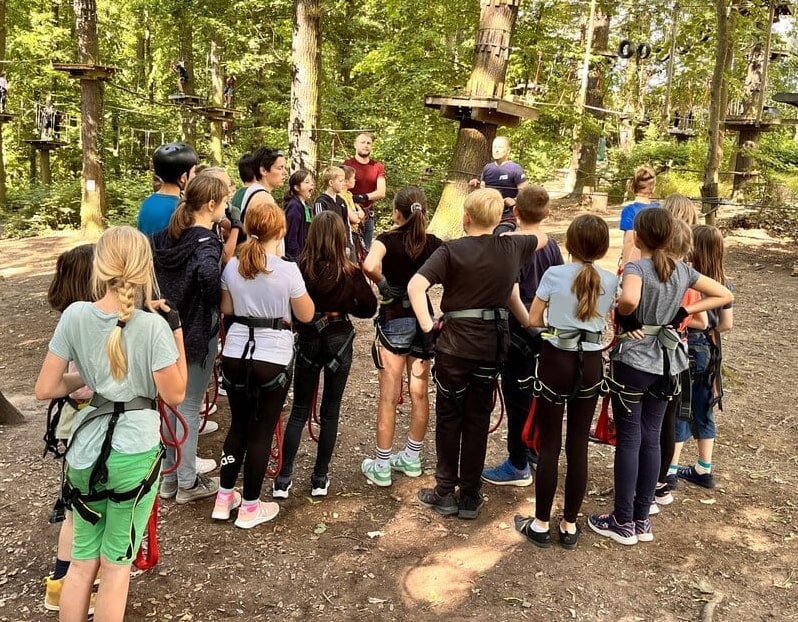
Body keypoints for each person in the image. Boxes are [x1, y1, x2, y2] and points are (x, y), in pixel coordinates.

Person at [35, 226, 186, 622]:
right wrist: (177, 333)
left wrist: (90, 378)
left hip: (86, 448)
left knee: (82, 562)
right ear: (145, 268)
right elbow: (174, 394)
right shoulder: (153, 326)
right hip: (133, 451)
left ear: (99, 267)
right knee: (116, 566)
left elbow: (45, 388)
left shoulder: (74, 315)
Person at [588, 208, 733, 545]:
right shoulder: (683, 270)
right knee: (651, 436)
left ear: (638, 237)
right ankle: (642, 518)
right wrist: (685, 311)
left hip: (634, 362)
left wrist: (625, 313)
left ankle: (622, 519)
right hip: (669, 364)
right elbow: (724, 295)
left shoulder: (638, 267)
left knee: (629, 439)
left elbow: (629, 298)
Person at [407, 188, 551, 520]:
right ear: (499, 218)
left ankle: (445, 491)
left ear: (466, 217)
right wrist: (510, 230)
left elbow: (416, 286)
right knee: (478, 417)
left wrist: (428, 325)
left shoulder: (450, 250)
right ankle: (470, 495)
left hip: (454, 345)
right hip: (490, 346)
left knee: (449, 416)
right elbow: (542, 238)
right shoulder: (513, 246)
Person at [513, 215, 618, 549]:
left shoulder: (554, 274)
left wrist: (555, 325)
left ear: (570, 244)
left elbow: (533, 319)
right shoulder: (611, 280)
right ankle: (570, 524)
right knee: (578, 445)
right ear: (603, 248)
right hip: (591, 364)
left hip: (556, 360)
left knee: (549, 445)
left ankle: (541, 523)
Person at [212, 201, 314, 528]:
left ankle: (224, 497)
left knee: (238, 425)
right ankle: (251, 506)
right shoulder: (287, 270)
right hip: (273, 356)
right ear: (280, 231)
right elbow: (306, 314)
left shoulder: (233, 266)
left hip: (235, 353)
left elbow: (227, 308)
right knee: (262, 431)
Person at [274, 211, 377, 498]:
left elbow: (289, 305)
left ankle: (283, 478)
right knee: (330, 412)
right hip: (338, 340)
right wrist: (346, 304)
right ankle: (320, 478)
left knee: (299, 410)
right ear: (340, 237)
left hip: (309, 338)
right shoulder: (350, 271)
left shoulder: (298, 269)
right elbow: (369, 308)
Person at [152, 172, 230, 505]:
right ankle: (187, 481)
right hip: (196, 331)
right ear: (211, 204)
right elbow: (209, 274)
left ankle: (169, 477)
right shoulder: (206, 241)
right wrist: (215, 300)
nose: (226, 207)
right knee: (188, 404)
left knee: (169, 403)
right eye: (224, 201)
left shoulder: (164, 238)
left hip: (164, 328)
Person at [482, 185, 563, 487]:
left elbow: (511, 293)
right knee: (536, 393)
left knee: (518, 396)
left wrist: (529, 324)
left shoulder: (511, 244)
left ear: (515, 211)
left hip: (519, 327)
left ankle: (518, 464)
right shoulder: (551, 246)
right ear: (547, 214)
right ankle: (533, 451)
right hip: (544, 327)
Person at [361, 187, 442, 487]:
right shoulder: (433, 243)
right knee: (419, 392)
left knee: (389, 394)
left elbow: (369, 265)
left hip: (394, 317)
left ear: (397, 212)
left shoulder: (386, 239)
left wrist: (382, 283)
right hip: (423, 320)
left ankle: (382, 465)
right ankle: (411, 457)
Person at [43, 244, 96, 614]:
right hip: (88, 423)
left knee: (75, 508)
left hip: (75, 424)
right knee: (84, 511)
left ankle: (62, 583)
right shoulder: (84, 323)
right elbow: (79, 385)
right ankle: (72, 586)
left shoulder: (70, 320)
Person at [671, 225, 734, 490]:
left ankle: (670, 469)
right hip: (711, 353)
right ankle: (703, 468)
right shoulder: (724, 283)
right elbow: (726, 324)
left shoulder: (688, 279)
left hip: (688, 349)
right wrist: (710, 329)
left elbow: (692, 318)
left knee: (680, 408)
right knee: (703, 407)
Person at [468, 136, 528, 234]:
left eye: (500, 147)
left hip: (507, 215)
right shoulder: (488, 168)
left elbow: (525, 191)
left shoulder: (515, 168)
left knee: (499, 237)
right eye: (494, 147)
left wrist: (514, 200)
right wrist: (476, 184)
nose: (496, 150)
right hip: (488, 214)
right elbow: (483, 189)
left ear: (508, 150)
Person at [137, 142, 199, 235]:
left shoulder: (148, 202)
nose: (195, 176)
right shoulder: (180, 210)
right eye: (194, 172)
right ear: (183, 178)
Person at [343, 132, 386, 250]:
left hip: (368, 214)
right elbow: (340, 188)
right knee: (349, 250)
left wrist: (363, 197)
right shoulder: (347, 165)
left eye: (368, 143)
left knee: (366, 250)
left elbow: (381, 192)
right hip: (349, 214)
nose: (366, 145)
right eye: (362, 142)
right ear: (355, 145)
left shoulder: (377, 166)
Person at [619, 165, 658, 266]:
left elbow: (629, 241)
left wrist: (624, 265)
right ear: (653, 188)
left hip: (637, 262)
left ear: (634, 187)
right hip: (657, 260)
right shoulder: (659, 208)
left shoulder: (629, 210)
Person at [283, 169, 315, 261]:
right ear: (297, 187)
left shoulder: (306, 206)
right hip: (296, 257)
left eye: (311, 181)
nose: (311, 184)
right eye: (307, 182)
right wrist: (296, 257)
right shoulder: (294, 206)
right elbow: (291, 235)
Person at [339, 165, 367, 261]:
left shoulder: (349, 195)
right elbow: (354, 218)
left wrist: (357, 214)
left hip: (355, 233)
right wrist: (357, 215)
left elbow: (361, 213)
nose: (355, 180)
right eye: (353, 178)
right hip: (347, 234)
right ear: (346, 181)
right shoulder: (340, 196)